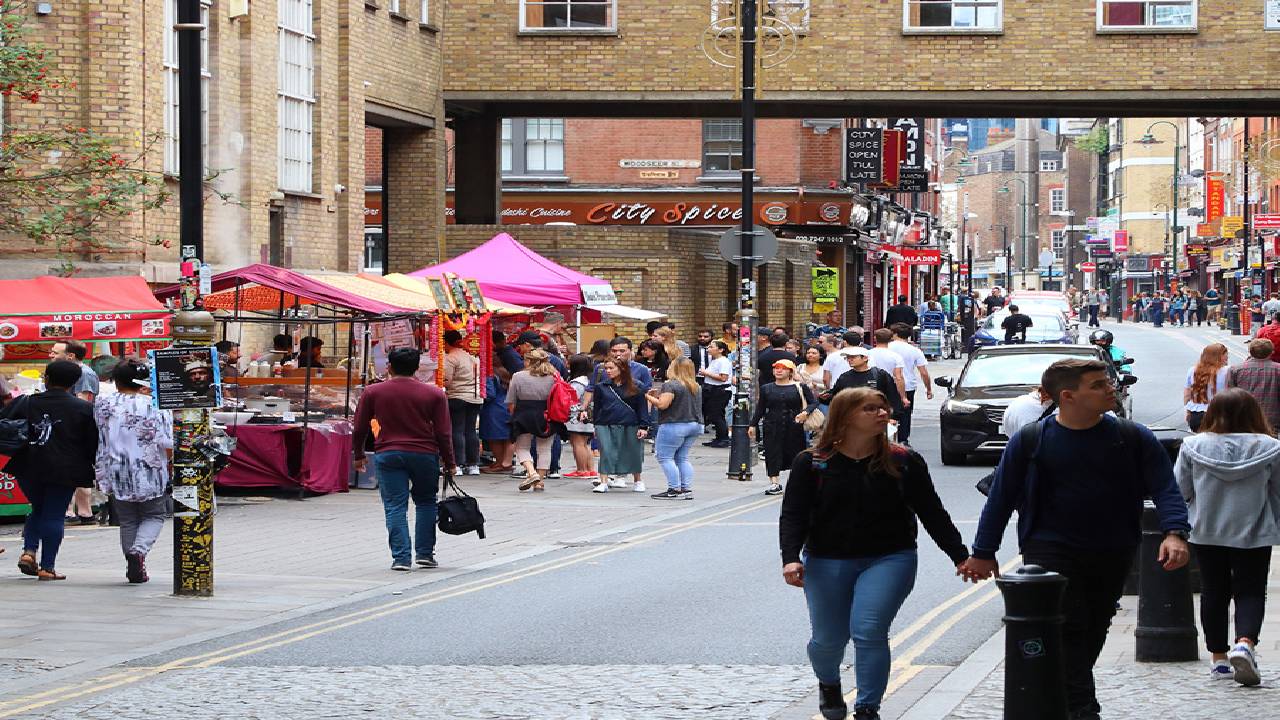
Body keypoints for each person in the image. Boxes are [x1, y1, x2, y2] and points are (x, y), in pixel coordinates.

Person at [960, 359, 1191, 720]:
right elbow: (1002, 497)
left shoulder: (1131, 436)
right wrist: (983, 552)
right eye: (1098, 385)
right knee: (1070, 626)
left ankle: (1066, 699)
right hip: (1049, 548)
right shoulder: (1033, 439)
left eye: (1107, 382)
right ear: (1067, 396)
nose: (1109, 388)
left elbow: (1165, 487)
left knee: (1095, 625)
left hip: (1114, 548)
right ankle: (1083, 710)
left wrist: (1174, 532)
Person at [779, 387, 970, 720]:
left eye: (883, 408)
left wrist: (960, 555)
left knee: (868, 630)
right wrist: (790, 557)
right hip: (826, 559)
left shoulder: (902, 460)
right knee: (828, 641)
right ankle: (829, 683)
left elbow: (932, 512)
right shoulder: (812, 463)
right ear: (846, 416)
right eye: (871, 409)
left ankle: (868, 708)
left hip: (889, 557)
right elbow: (793, 514)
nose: (882, 414)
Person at [1174, 389, 1280, 686]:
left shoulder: (1193, 446)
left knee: (1213, 591)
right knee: (1251, 590)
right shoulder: (1270, 447)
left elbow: (1180, 490)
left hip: (1206, 530)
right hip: (1254, 530)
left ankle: (1219, 658)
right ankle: (1245, 642)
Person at [352, 347, 455, 571]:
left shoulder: (373, 392)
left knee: (395, 506)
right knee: (426, 502)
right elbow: (444, 432)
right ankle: (425, 554)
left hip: (388, 453)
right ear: (417, 367)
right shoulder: (435, 394)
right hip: (424, 454)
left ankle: (401, 558)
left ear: (389, 366)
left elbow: (360, 427)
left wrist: (358, 454)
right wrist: (450, 461)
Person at [2, 360, 98, 581]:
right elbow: (91, 444)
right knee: (54, 514)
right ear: (74, 383)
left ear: (46, 378)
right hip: (65, 468)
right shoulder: (84, 409)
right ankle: (47, 567)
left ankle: (29, 552)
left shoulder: (26, 402)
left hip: (28, 465)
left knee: (38, 508)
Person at [94, 360, 172, 584]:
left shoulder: (102, 403)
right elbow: (167, 441)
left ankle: (132, 562)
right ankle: (138, 552)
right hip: (149, 468)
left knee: (127, 519)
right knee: (154, 515)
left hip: (115, 468)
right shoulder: (154, 405)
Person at [581, 357, 649, 494]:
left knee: (633, 452)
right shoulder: (601, 387)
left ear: (622, 368)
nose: (608, 371)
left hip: (630, 423)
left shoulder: (637, 386)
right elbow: (598, 408)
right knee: (606, 451)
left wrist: (643, 426)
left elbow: (642, 408)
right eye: (606, 368)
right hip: (605, 423)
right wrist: (596, 425)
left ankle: (638, 480)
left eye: (611, 368)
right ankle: (604, 481)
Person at [749, 359, 818, 496]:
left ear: (790, 372)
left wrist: (805, 412)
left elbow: (813, 403)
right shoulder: (766, 388)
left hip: (794, 426)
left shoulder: (800, 387)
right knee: (772, 454)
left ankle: (797, 482)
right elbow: (760, 408)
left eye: (782, 368)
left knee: (796, 454)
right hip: (772, 425)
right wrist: (753, 424)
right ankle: (774, 483)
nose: (778, 371)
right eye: (776, 368)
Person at [48, 340, 98, 523]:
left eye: (55, 352)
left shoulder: (83, 373)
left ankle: (82, 512)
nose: (51, 355)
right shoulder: (65, 373)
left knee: (78, 468)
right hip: (67, 426)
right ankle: (75, 512)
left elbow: (83, 401)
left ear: (70, 356)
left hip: (75, 429)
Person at [505, 348, 565, 492]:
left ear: (528, 361)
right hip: (547, 413)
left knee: (522, 447)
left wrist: (513, 415)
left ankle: (531, 472)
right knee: (544, 449)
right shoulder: (554, 376)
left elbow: (511, 400)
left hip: (524, 413)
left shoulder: (518, 376)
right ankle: (540, 481)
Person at [646, 357, 703, 499]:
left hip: (674, 424)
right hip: (694, 424)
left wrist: (648, 396)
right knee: (682, 458)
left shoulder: (671, 385)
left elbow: (662, 405)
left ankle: (674, 489)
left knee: (664, 457)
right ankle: (686, 489)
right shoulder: (695, 385)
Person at [441, 330, 483, 476]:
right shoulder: (473, 358)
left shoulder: (451, 358)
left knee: (456, 430)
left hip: (458, 396)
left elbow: (447, 380)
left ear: (446, 342)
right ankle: (473, 465)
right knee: (470, 430)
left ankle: (457, 464)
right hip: (476, 397)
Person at [826, 346, 901, 419]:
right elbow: (836, 396)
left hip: (876, 418)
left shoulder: (880, 375)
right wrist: (824, 397)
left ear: (865, 358)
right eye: (848, 357)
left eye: (853, 357)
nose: (849, 360)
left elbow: (892, 395)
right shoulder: (844, 377)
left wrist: (892, 417)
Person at [888, 323, 932, 445]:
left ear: (895, 334)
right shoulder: (915, 351)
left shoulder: (886, 347)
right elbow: (923, 372)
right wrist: (928, 389)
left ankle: (887, 438)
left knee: (887, 411)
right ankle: (903, 440)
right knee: (905, 414)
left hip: (888, 385)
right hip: (908, 386)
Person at [1227, 338, 1280, 431]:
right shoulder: (1277, 369)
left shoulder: (1236, 369)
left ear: (1250, 352)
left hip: (1244, 417)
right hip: (1272, 417)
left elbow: (1230, 395)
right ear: (1271, 352)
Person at [563, 354, 598, 480]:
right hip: (589, 415)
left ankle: (581, 469)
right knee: (585, 444)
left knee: (577, 443)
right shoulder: (589, 380)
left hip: (576, 416)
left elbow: (572, 398)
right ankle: (590, 469)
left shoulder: (577, 382)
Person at [1184, 343, 1230, 432]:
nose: (1227, 358)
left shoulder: (1192, 370)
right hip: (1220, 414)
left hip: (1196, 415)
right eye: (1225, 355)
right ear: (1220, 357)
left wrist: (1188, 411)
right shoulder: (1228, 371)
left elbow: (1187, 395)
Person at [699, 340, 733, 448]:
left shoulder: (723, 361)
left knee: (717, 415)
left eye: (711, 347)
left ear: (720, 350)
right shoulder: (715, 360)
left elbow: (723, 378)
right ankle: (719, 437)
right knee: (714, 414)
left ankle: (723, 438)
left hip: (720, 390)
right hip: (711, 389)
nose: (708, 349)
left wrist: (706, 373)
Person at [868, 329, 909, 414]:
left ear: (875, 338)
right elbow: (899, 377)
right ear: (891, 339)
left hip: (870, 387)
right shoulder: (896, 356)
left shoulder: (867, 354)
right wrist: (903, 397)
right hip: (889, 389)